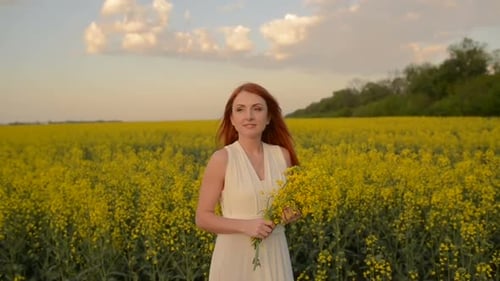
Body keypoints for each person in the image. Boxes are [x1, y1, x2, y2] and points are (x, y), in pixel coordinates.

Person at [195, 82, 300, 281]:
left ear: (268, 117)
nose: (249, 116)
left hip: (274, 254)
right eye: (240, 110)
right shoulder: (222, 159)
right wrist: (246, 226)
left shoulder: (283, 156)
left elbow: (293, 205)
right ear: (232, 119)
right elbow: (202, 217)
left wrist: (292, 212)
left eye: (257, 109)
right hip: (234, 259)